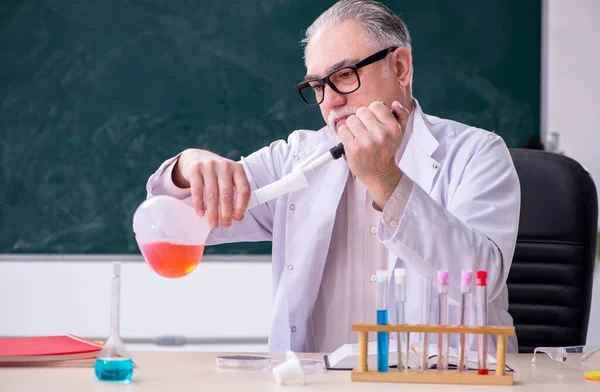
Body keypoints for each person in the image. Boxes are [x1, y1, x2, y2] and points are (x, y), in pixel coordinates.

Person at [146, 0, 520, 354]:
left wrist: (385, 179)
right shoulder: (297, 159)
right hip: (317, 385)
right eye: (317, 86)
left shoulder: (476, 154)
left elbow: (479, 279)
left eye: (344, 75)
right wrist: (186, 168)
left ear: (401, 68)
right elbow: (169, 223)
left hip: (439, 383)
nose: (330, 101)